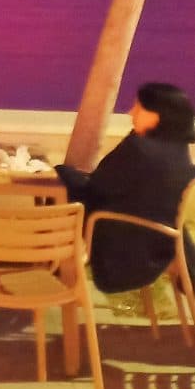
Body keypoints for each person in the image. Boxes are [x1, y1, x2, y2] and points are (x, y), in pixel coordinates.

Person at [56, 81, 195, 294]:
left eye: (139, 107)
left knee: (59, 188)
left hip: (120, 249)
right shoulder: (180, 152)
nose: (131, 113)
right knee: (68, 181)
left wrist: (61, 172)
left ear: (156, 115)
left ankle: (49, 267)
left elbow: (99, 185)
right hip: (158, 246)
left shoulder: (139, 149)